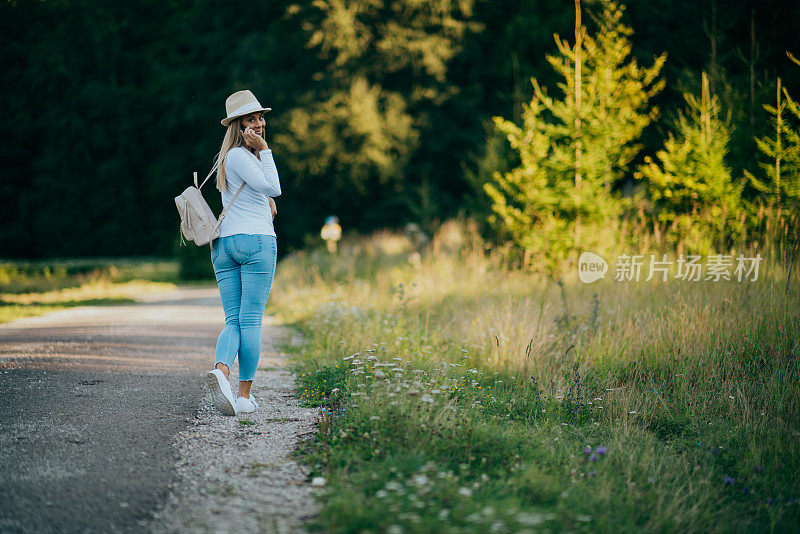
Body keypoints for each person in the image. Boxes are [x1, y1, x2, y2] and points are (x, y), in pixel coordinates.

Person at [205, 89, 281, 416]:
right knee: (250, 322)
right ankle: (243, 395)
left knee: (233, 320)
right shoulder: (243, 155)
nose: (260, 124)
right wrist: (266, 152)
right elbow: (273, 186)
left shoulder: (229, 159)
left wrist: (266, 200)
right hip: (255, 243)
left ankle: (221, 373)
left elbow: (258, 194)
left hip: (225, 246)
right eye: (252, 119)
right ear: (238, 126)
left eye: (261, 117)